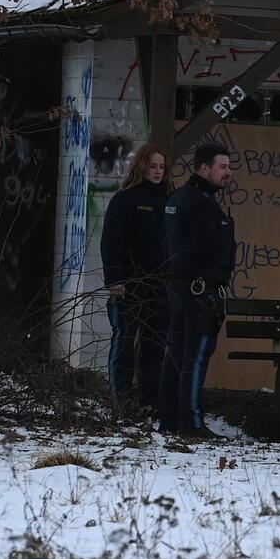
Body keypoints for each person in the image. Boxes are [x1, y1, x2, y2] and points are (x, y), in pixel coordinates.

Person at [159, 142, 237, 438]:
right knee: (196, 356)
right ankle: (190, 422)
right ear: (204, 168)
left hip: (178, 285)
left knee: (176, 354)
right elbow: (203, 249)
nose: (228, 172)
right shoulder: (202, 203)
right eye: (223, 166)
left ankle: (168, 419)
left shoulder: (177, 197)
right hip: (198, 290)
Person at [100, 144, 170, 420]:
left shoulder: (167, 200)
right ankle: (121, 401)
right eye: (153, 166)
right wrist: (115, 279)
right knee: (125, 342)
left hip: (159, 285)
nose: (158, 171)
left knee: (154, 345)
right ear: (141, 166)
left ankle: (150, 401)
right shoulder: (125, 200)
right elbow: (112, 241)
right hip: (129, 284)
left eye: (161, 167)